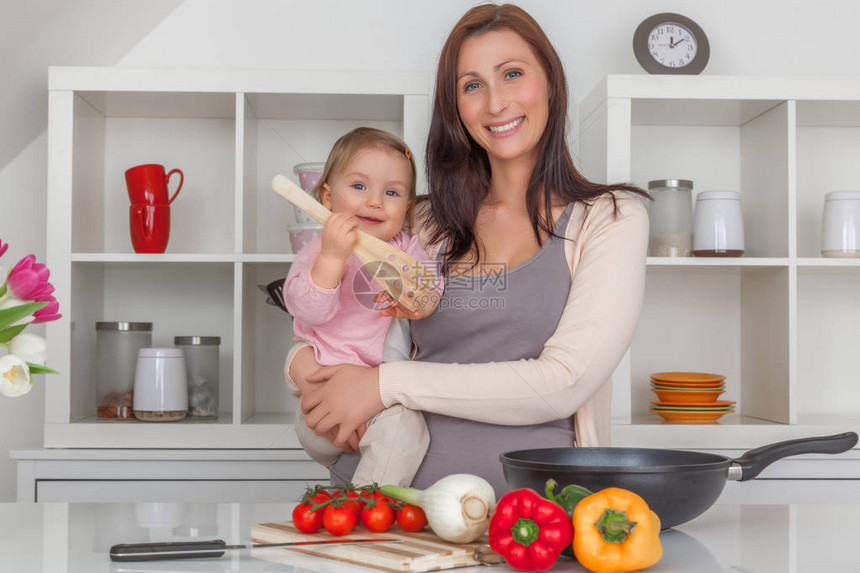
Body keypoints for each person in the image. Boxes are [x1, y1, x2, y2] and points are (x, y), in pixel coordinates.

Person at [292, 3, 650, 496]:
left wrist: (384, 384)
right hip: (375, 511)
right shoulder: (420, 221)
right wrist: (302, 368)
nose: (496, 102)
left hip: (527, 523)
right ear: (455, 106)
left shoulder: (611, 219)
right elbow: (334, 319)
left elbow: (563, 381)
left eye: (513, 74)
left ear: (550, 82)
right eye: (472, 85)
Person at [284, 127, 441, 487]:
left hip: (379, 399)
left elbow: (431, 290)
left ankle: (357, 505)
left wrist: (413, 297)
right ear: (327, 197)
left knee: (405, 429)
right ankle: (365, 512)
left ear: (407, 207)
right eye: (359, 187)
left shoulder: (407, 248)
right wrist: (332, 259)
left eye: (391, 192)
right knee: (405, 429)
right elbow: (307, 311)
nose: (374, 202)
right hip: (321, 402)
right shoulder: (317, 252)